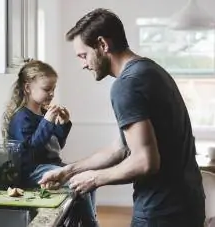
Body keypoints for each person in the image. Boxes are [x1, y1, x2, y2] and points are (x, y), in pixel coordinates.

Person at [38, 8, 205, 227]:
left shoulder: (126, 85)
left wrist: (94, 179)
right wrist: (68, 171)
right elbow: (121, 147)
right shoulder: (150, 71)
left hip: (161, 213)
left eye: (83, 55)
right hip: (187, 205)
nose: (83, 64)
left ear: (103, 45)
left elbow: (145, 162)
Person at [2, 59, 98, 226]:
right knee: (77, 180)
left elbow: (57, 145)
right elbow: (31, 149)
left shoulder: (44, 112)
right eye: (47, 89)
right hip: (32, 171)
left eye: (53, 89)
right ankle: (90, 224)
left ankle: (84, 220)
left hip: (52, 166)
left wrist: (63, 124)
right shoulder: (21, 117)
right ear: (27, 88)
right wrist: (46, 122)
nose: (52, 94)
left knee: (89, 177)